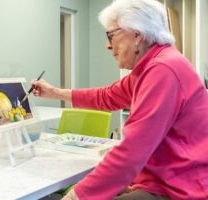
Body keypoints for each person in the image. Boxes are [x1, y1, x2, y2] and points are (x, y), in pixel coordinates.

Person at [32, 0, 208, 199]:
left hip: (179, 189)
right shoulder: (151, 66)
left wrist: (76, 196)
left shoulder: (163, 70)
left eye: (111, 35)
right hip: (163, 180)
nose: (108, 45)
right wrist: (55, 92)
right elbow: (107, 96)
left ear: (137, 35)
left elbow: (132, 151)